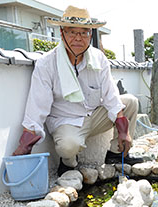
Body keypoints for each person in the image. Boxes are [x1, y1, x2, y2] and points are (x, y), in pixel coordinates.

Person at [13, 5, 143, 176]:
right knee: (68, 146)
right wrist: (24, 145)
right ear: (62, 33)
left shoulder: (99, 58)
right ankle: (68, 163)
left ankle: (117, 154)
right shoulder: (46, 64)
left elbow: (111, 95)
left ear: (90, 34)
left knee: (130, 102)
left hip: (94, 115)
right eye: (72, 32)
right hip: (66, 121)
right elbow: (37, 106)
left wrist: (123, 132)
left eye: (84, 32)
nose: (78, 38)